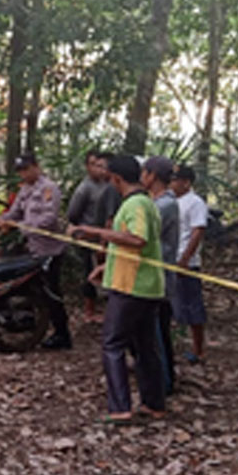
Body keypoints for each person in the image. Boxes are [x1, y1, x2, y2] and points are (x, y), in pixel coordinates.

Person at [68, 154, 166, 424]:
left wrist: (96, 232)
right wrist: (105, 267)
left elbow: (137, 239)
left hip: (132, 287)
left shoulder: (135, 204)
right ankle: (153, 404)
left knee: (112, 344)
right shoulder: (143, 202)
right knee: (145, 347)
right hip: (143, 284)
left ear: (117, 179)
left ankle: (120, 407)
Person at [0, 153, 72, 349]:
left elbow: (49, 219)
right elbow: (15, 211)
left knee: (51, 292)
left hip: (50, 250)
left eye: (26, 169)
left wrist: (19, 226)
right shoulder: (25, 189)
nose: (23, 174)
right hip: (32, 248)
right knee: (32, 290)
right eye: (20, 171)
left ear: (36, 166)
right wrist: (4, 219)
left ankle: (62, 334)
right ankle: (34, 327)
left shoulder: (49, 189)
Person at [142, 156, 179, 393]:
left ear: (153, 175)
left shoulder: (163, 206)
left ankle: (163, 383)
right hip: (153, 274)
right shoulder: (155, 202)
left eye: (144, 172)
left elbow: (142, 238)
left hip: (158, 277)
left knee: (157, 333)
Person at [66, 150, 112, 322]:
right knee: (89, 273)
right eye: (94, 165)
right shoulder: (84, 188)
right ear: (87, 167)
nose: (98, 169)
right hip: (88, 239)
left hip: (105, 238)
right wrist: (83, 231)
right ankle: (89, 311)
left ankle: (106, 311)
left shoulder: (108, 185)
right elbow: (73, 214)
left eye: (100, 165)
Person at [170, 165, 209, 363]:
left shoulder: (195, 202)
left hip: (186, 263)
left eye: (175, 179)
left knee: (192, 305)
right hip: (170, 260)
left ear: (186, 182)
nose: (171, 183)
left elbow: (197, 231)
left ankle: (198, 348)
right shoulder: (171, 201)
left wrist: (185, 258)